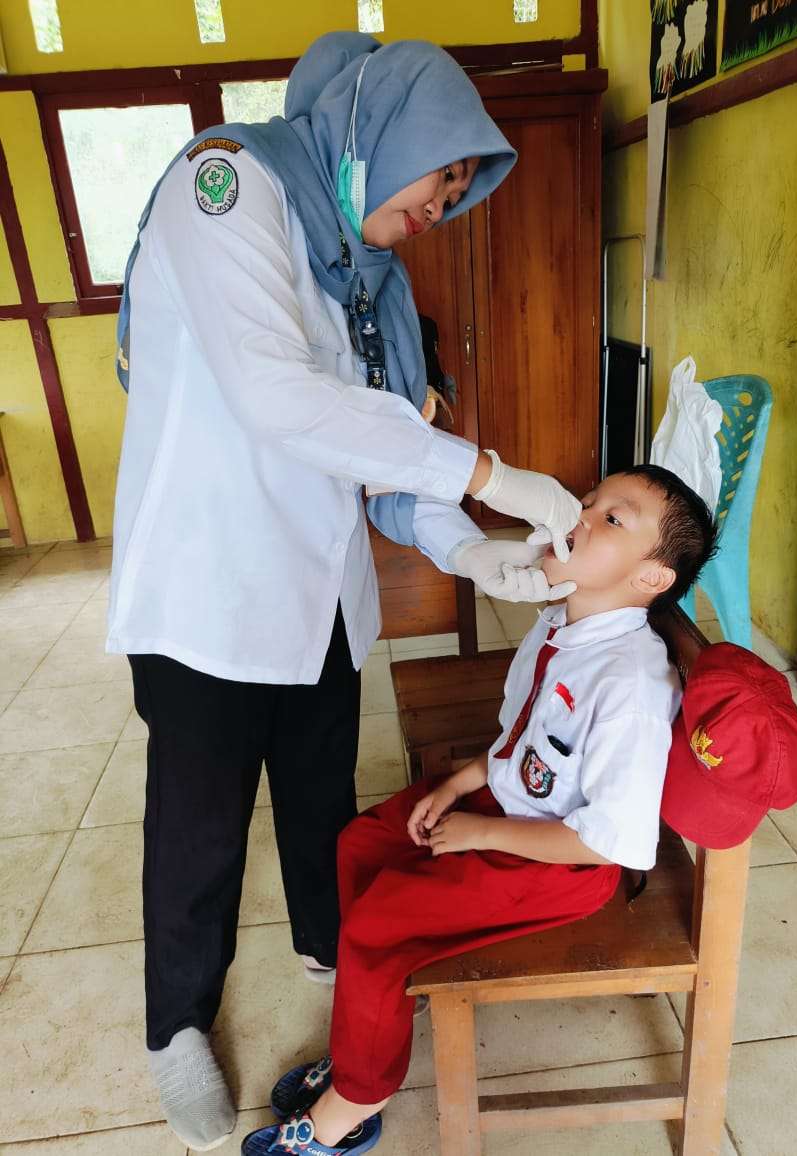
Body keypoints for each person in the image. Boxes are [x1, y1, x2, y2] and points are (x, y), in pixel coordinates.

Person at [107, 31, 585, 1153]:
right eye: (441, 174)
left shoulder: (371, 282)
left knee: (320, 793)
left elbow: (382, 459)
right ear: (382, 132)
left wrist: (469, 548)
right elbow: (279, 396)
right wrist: (490, 475)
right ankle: (175, 1027)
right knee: (198, 827)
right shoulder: (227, 188)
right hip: (209, 595)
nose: (443, 204)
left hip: (319, 597)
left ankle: (334, 950)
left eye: (459, 191)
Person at [246, 465, 718, 1156]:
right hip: (505, 804)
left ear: (650, 577)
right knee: (362, 844)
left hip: (556, 863)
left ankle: (357, 1097)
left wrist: (480, 831)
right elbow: (523, 740)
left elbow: (606, 844)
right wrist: (460, 783)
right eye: (588, 501)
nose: (578, 517)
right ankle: (375, 1018)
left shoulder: (629, 687)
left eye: (611, 519)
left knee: (377, 925)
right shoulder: (561, 626)